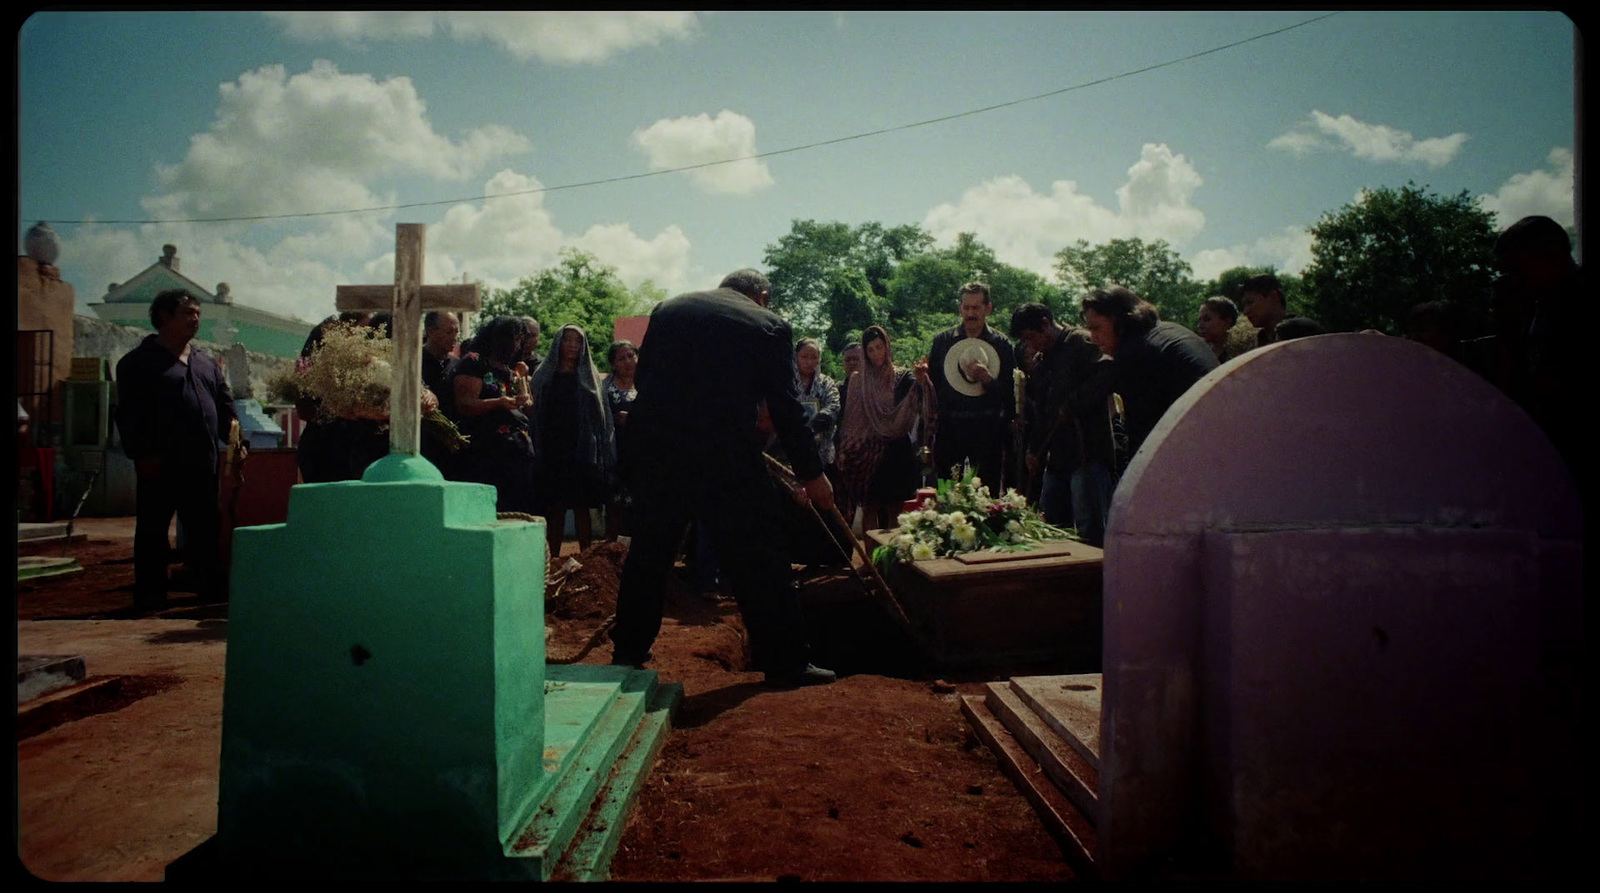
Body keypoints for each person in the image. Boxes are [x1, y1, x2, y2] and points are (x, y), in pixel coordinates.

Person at [609, 269, 838, 688]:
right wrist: (813, 474)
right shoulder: (769, 326)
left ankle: (627, 650)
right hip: (724, 455)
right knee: (761, 555)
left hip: (661, 451)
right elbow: (785, 408)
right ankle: (786, 663)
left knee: (650, 552)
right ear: (762, 296)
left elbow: (644, 381)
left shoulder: (669, 309)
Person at [114, 288, 237, 608]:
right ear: (164, 317)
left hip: (203, 464)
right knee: (154, 531)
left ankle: (209, 592)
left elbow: (225, 409)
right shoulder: (137, 363)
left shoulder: (206, 364)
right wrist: (142, 454)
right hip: (160, 464)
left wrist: (237, 442)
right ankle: (150, 595)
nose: (195, 319)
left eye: (197, 313)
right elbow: (129, 415)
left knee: (205, 531)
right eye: (187, 313)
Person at [1009, 302, 1115, 545]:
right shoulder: (1044, 360)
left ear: (1046, 324)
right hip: (1057, 459)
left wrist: (1074, 403)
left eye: (1031, 337)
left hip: (1087, 455)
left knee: (1090, 530)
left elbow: (1108, 373)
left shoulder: (1081, 342)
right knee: (1051, 526)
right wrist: (1033, 450)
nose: (1031, 345)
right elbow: (1043, 411)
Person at [1081, 285, 1219, 461]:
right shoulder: (1168, 330)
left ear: (1119, 321)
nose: (1093, 338)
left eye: (1096, 328)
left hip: (1196, 442)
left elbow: (1144, 436)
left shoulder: (1134, 352)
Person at [529, 324, 615, 556]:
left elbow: (602, 416)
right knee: (555, 507)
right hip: (552, 449)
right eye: (568, 340)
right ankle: (554, 559)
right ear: (558, 342)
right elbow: (533, 413)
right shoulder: (544, 375)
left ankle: (587, 559)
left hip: (583, 451)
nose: (573, 345)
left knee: (581, 506)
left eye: (578, 341)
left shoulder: (590, 375)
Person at [837, 326, 932, 533]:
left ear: (887, 347)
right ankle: (871, 564)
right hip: (868, 453)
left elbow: (915, 402)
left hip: (896, 450)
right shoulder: (857, 380)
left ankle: (892, 563)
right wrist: (845, 449)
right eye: (870, 350)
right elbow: (850, 420)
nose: (875, 354)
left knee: (895, 509)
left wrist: (920, 380)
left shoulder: (902, 376)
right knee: (870, 507)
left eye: (879, 347)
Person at [927, 282, 1017, 494]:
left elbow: (1011, 393)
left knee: (987, 493)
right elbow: (933, 387)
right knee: (948, 492)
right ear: (960, 308)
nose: (970, 313)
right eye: (966, 308)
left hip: (988, 429)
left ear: (988, 308)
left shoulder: (1002, 344)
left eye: (976, 308)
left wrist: (988, 380)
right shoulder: (943, 341)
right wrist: (923, 380)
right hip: (950, 428)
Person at [448, 316, 538, 514]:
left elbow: (529, 410)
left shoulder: (512, 369)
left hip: (517, 455)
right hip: (486, 455)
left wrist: (525, 387)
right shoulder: (474, 362)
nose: (516, 345)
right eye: (512, 339)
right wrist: (498, 403)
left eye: (519, 340)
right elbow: (464, 404)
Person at [603, 340, 639, 542]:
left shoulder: (647, 386)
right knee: (617, 510)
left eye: (631, 356)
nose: (627, 362)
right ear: (612, 364)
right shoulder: (605, 389)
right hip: (616, 456)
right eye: (621, 358)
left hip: (641, 457)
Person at [794, 337, 842, 474]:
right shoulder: (787, 383)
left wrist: (814, 425)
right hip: (791, 448)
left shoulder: (826, 383)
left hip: (821, 449)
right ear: (796, 357)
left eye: (814, 357)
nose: (809, 362)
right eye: (804, 357)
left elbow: (834, 405)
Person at [1195, 295, 1252, 363]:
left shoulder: (1241, 356)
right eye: (1199, 320)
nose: (1200, 325)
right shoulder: (1199, 355)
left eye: (1207, 319)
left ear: (1227, 323)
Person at [1240, 273, 1290, 348]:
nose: (1245, 312)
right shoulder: (1259, 341)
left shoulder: (1301, 332)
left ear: (1273, 297)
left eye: (1250, 302)